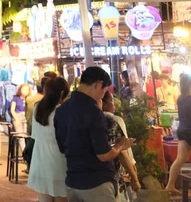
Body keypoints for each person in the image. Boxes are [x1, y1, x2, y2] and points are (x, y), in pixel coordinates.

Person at [54, 66, 134, 202]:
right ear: (98, 85)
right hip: (96, 183)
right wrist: (120, 145)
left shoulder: (62, 110)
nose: (103, 96)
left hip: (72, 181)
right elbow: (104, 155)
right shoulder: (94, 112)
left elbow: (62, 147)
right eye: (104, 91)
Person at [28, 76, 70, 202]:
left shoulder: (37, 108)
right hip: (59, 164)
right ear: (62, 93)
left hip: (40, 163)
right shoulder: (61, 112)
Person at [166, 73, 191, 193]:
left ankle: (170, 185)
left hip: (181, 130)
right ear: (190, 85)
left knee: (180, 159)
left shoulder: (180, 99)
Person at [101, 91, 140, 202]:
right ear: (103, 103)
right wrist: (134, 175)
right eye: (112, 101)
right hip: (113, 176)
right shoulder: (114, 120)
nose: (114, 104)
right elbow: (122, 151)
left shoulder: (85, 120)